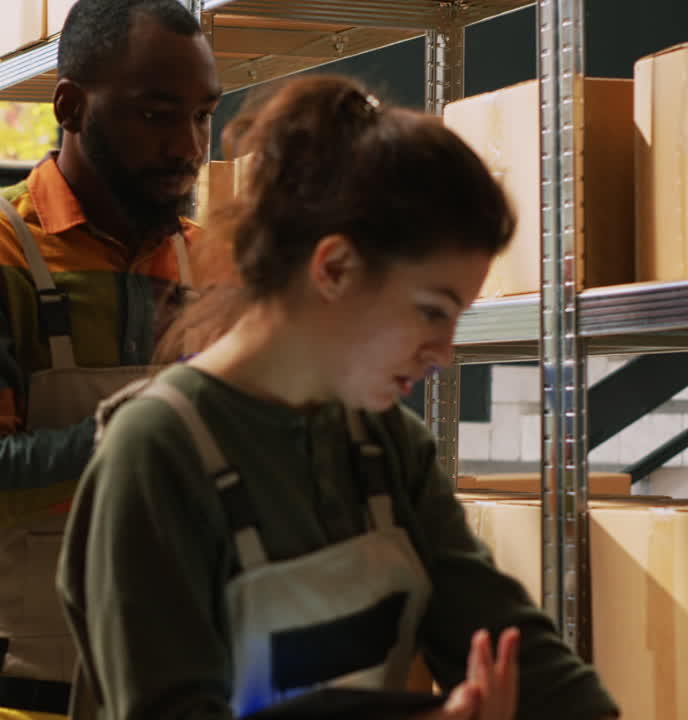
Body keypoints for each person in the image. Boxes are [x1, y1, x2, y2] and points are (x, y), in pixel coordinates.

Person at [57, 75, 622, 720]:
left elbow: (517, 658)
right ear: (335, 269)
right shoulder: (156, 454)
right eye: (432, 311)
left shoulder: (386, 445)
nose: (443, 352)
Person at [0, 1, 222, 718]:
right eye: (156, 115)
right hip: (20, 699)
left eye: (202, 115)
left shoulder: (210, 264)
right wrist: (166, 429)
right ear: (71, 106)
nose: (188, 145)